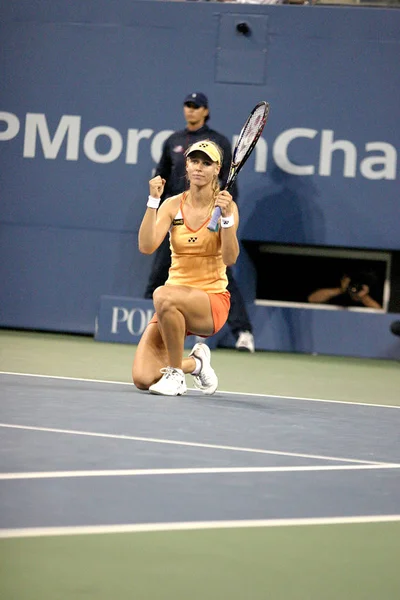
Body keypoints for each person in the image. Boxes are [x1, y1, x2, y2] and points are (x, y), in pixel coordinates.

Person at [144, 91, 255, 353]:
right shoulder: (173, 140)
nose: (191, 110)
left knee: (222, 271)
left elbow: (229, 183)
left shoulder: (219, 141)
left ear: (205, 110)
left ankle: (243, 331)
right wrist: (157, 204)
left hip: (211, 216)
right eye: (187, 105)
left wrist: (222, 215)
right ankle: (156, 327)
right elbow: (161, 175)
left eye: (196, 106)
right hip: (176, 218)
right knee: (159, 272)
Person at [132, 140, 239, 396]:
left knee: (161, 295)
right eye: (194, 161)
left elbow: (230, 258)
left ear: (217, 170)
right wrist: (153, 201)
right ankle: (196, 363)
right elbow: (146, 246)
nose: (199, 168)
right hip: (173, 304)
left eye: (206, 163)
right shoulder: (171, 205)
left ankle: (176, 377)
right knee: (143, 378)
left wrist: (225, 218)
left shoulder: (227, 206)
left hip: (210, 302)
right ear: (186, 165)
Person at [308, 272, 382, 309]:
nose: (353, 287)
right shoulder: (337, 292)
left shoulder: (365, 296)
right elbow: (312, 299)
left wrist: (363, 297)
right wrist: (341, 290)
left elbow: (379, 311)